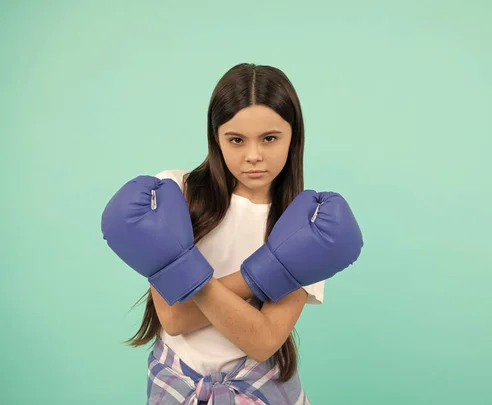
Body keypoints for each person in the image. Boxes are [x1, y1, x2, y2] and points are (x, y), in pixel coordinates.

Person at [100, 63, 363, 404]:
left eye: (269, 138)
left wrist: (184, 274)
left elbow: (263, 340)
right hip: (177, 387)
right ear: (217, 138)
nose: (253, 156)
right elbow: (174, 318)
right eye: (236, 140)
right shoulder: (176, 192)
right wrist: (264, 274)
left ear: (293, 137)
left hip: (260, 390)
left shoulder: (306, 222)